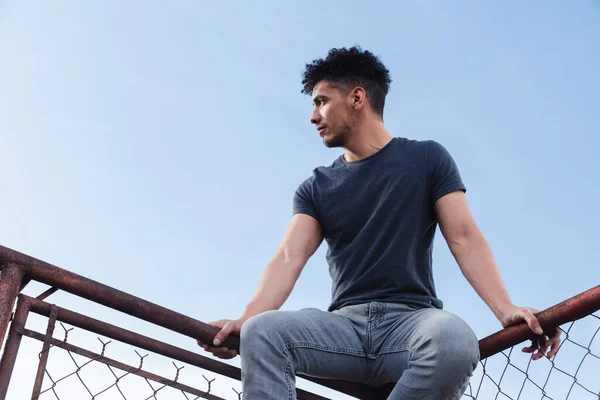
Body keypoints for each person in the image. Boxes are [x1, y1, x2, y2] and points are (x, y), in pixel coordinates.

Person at [198, 47, 561, 399]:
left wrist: (505, 308)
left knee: (454, 340)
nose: (312, 115)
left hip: (411, 324)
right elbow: (288, 258)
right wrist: (244, 320)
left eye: (321, 101)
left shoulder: (426, 158)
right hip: (342, 329)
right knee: (261, 331)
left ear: (357, 98)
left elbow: (464, 236)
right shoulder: (316, 187)